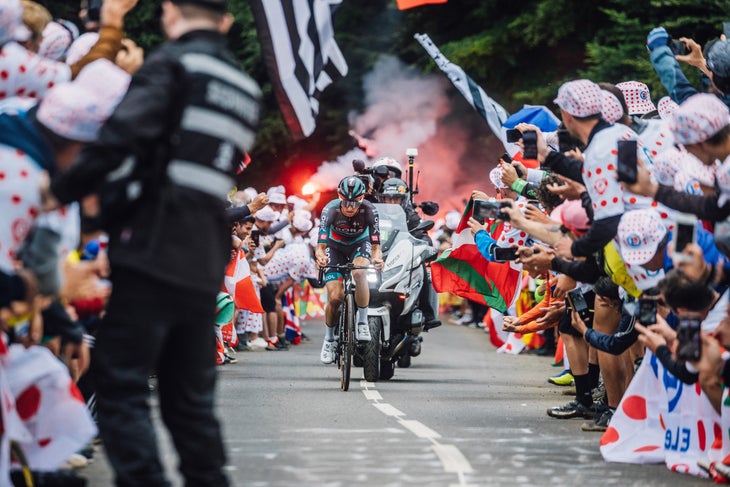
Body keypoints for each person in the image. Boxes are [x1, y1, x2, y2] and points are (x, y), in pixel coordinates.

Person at [46, 0, 261, 485]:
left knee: (121, 381)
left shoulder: (171, 65)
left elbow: (119, 138)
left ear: (169, 13)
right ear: (225, 23)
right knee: (190, 400)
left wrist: (56, 194)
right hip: (206, 254)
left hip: (154, 242)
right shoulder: (244, 86)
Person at [315, 176, 384, 364]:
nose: (350, 207)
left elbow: (376, 244)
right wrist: (320, 256)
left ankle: (362, 322)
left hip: (359, 244)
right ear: (339, 197)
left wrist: (377, 257)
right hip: (334, 247)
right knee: (335, 297)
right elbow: (320, 246)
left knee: (360, 272)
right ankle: (329, 339)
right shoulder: (330, 209)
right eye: (346, 202)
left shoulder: (370, 210)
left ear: (362, 199)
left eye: (355, 203)